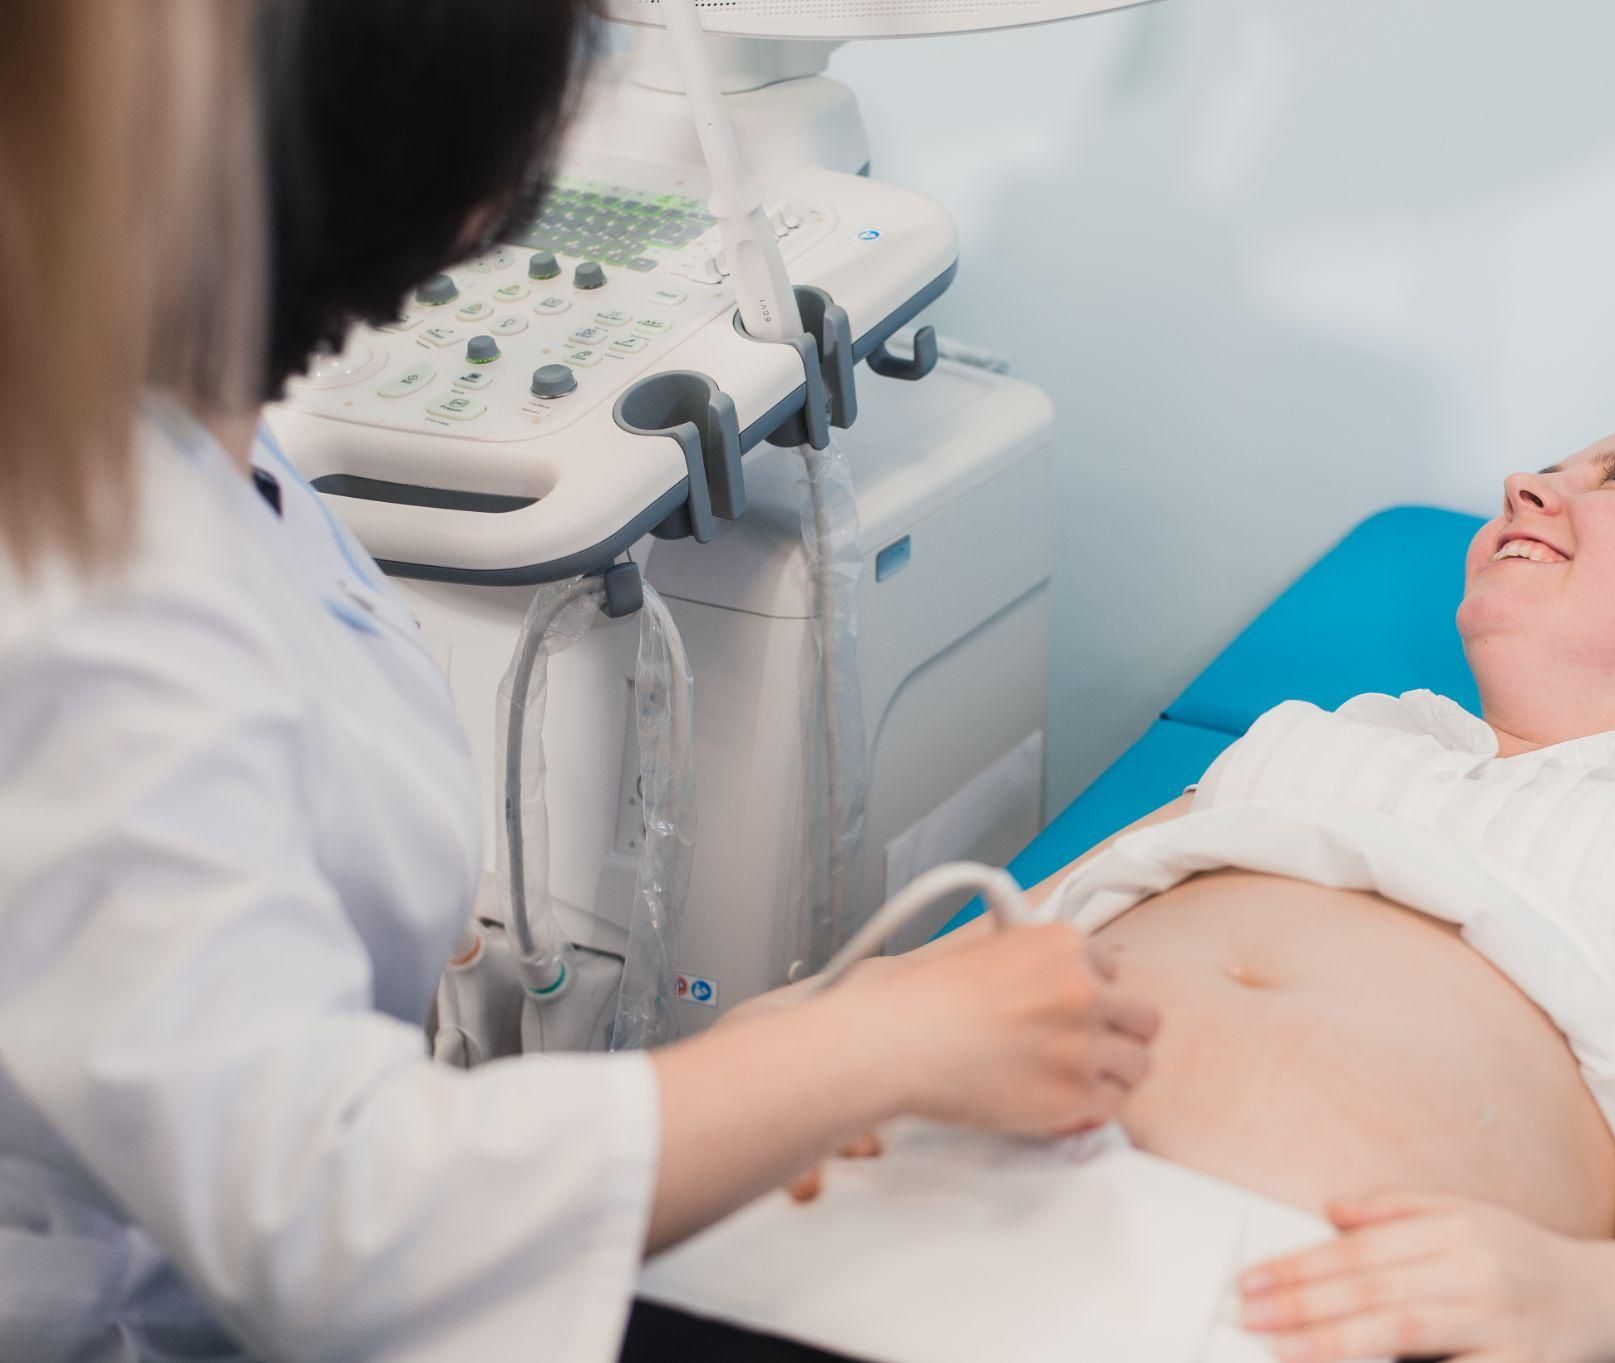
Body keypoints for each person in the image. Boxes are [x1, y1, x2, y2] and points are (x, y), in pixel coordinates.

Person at [0, 4, 1156, 1361]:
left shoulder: (176, 444)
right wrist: (868, 1047)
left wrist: (769, 1062)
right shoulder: (82, 584)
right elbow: (329, 1215)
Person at [749, 421, 1615, 1363]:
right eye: (1546, 466)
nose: (1525, 484)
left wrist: (1585, 1295)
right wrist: (805, 1035)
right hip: (918, 1176)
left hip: (1289, 1303)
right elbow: (986, 953)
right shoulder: (1315, 737)